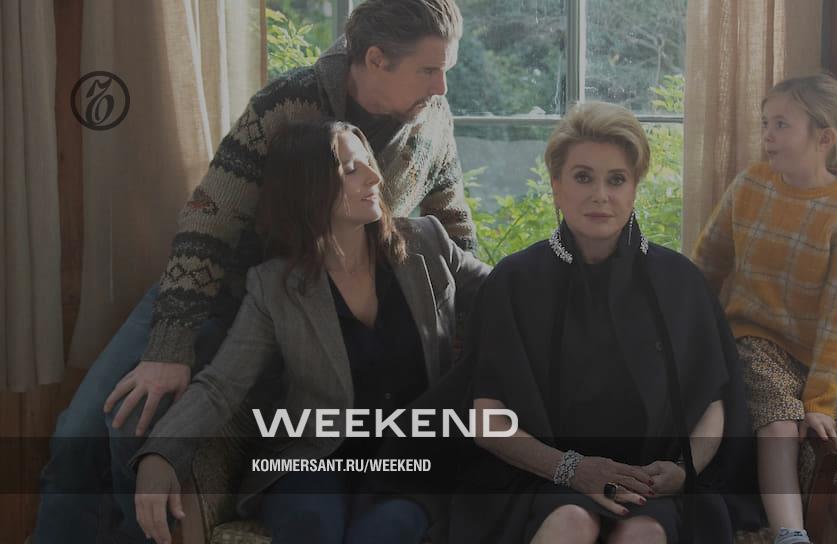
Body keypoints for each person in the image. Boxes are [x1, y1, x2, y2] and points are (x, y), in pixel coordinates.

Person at [32, 1, 475, 542]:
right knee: (83, 435)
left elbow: (452, 225)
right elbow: (209, 221)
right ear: (378, 59)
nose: (442, 88)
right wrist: (170, 347)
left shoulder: (432, 118)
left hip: (309, 306)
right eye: (429, 70)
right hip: (215, 290)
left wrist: (473, 326)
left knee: (138, 433)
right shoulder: (286, 103)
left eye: (445, 70)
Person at [132, 120, 490, 544]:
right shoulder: (274, 286)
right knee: (310, 527)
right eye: (350, 169)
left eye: (368, 163)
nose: (374, 177)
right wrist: (160, 452)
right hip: (315, 459)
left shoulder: (426, 243)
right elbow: (220, 386)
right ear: (308, 188)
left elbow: (505, 292)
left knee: (384, 532)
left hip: (416, 459)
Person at [449, 102, 756, 544]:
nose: (600, 195)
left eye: (616, 179)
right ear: (556, 187)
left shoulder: (680, 281)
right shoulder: (513, 281)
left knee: (644, 534)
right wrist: (572, 469)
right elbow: (486, 419)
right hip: (542, 477)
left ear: (634, 189)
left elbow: (712, 401)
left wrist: (684, 470)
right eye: (582, 177)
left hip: (652, 485)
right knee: (571, 522)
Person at [692, 73, 837, 544]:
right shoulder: (750, 185)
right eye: (765, 123)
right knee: (779, 422)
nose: (767, 135)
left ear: (824, 138)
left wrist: (820, 403)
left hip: (825, 363)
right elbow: (707, 263)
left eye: (781, 124)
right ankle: (791, 535)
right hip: (755, 342)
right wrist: (687, 332)